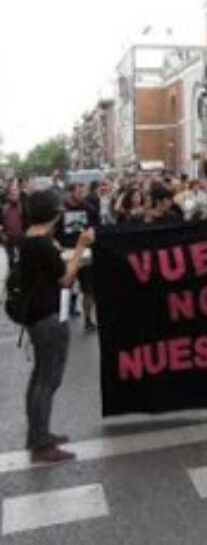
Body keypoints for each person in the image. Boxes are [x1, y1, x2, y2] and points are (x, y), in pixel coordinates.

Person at [20, 189, 95, 463]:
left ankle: (39, 435)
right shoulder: (41, 243)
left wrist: (67, 252)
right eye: (59, 208)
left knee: (41, 378)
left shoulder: (29, 238)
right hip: (48, 316)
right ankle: (40, 444)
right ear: (53, 213)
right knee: (47, 379)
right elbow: (65, 278)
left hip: (37, 315)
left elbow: (50, 264)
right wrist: (81, 247)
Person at [56, 183, 99, 332]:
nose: (82, 194)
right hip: (67, 254)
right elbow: (52, 232)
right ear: (69, 193)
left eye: (83, 191)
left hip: (85, 254)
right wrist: (57, 245)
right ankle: (63, 318)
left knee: (89, 289)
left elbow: (96, 228)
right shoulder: (60, 211)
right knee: (65, 288)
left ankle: (88, 319)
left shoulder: (90, 209)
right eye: (78, 192)